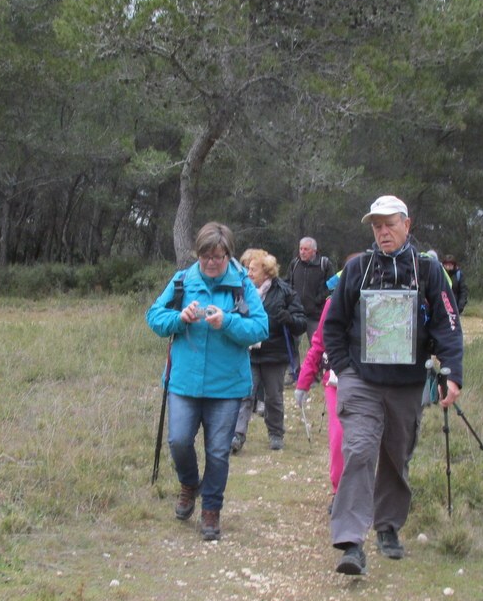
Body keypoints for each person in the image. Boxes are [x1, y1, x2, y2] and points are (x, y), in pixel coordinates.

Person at [323, 195, 463, 576]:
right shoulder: (357, 269)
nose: (383, 232)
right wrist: (344, 369)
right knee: (359, 450)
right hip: (361, 381)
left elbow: (448, 325)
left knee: (396, 456)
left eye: (389, 224)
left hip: (407, 383)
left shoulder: (429, 271)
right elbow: (332, 325)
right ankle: (351, 541)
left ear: (407, 224)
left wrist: (452, 372)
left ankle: (387, 526)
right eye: (376, 226)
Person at [146, 222, 269, 541]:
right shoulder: (182, 281)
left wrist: (227, 322)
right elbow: (154, 318)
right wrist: (179, 318)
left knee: (217, 452)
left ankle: (211, 509)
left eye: (218, 256)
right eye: (205, 256)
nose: (211, 262)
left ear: (228, 254)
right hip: (183, 383)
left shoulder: (241, 285)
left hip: (227, 387)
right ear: (197, 254)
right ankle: (189, 484)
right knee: (179, 441)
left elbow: (260, 328)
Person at [233, 252, 306, 453]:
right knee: (245, 394)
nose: (248, 273)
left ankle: (276, 433)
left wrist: (289, 319)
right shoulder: (242, 291)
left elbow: (301, 323)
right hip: (248, 352)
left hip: (275, 353)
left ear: (266, 272)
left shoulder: (284, 292)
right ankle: (237, 435)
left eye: (253, 269)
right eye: (247, 269)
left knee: (273, 396)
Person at [293, 269, 343, 503]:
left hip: (373, 382)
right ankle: (339, 491)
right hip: (335, 382)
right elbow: (318, 343)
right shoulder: (332, 304)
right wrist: (303, 383)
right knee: (339, 439)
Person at [286, 237, 336, 345]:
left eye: (306, 249)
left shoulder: (324, 264)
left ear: (314, 251)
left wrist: (318, 300)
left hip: (315, 315)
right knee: (291, 345)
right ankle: (295, 363)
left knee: (317, 347)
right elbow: (288, 283)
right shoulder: (294, 264)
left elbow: (332, 286)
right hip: (296, 313)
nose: (302, 252)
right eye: (301, 249)